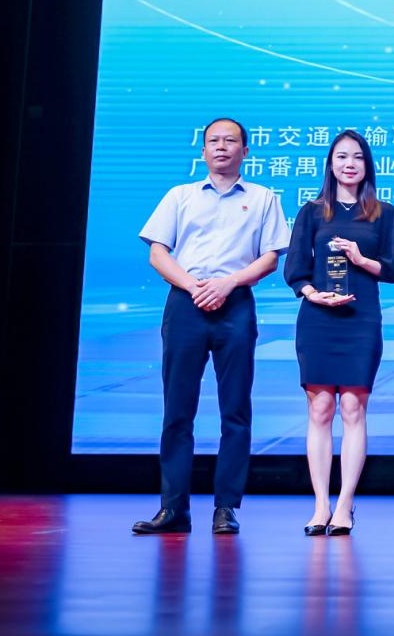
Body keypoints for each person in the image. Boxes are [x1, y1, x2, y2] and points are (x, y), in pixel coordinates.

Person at [132, 118, 290, 535]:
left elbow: (270, 258)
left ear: (245, 151)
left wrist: (227, 284)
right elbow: (158, 253)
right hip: (185, 304)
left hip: (235, 305)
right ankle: (173, 509)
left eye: (230, 141)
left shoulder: (263, 197)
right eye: (213, 141)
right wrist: (194, 286)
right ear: (202, 151)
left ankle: (226, 508)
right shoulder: (180, 195)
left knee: (235, 410)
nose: (221, 147)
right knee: (177, 410)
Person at [284, 130, 394, 536]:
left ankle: (345, 505)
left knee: (353, 408)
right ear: (330, 164)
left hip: (361, 319)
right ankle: (320, 505)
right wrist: (311, 293)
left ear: (367, 165)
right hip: (318, 319)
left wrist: (360, 258)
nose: (349, 164)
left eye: (357, 157)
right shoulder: (312, 212)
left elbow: (393, 270)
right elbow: (295, 268)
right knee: (319, 409)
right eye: (341, 157)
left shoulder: (384, 213)